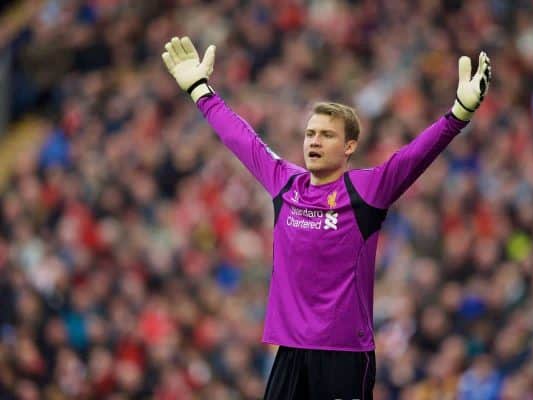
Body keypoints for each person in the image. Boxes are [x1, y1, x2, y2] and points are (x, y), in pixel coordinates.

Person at [162, 36, 491, 400]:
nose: (314, 142)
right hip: (291, 351)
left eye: (327, 135)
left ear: (349, 146)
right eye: (310, 134)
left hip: (345, 355)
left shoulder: (367, 191)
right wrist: (199, 89)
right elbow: (242, 139)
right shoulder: (285, 182)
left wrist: (459, 113)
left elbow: (414, 157)